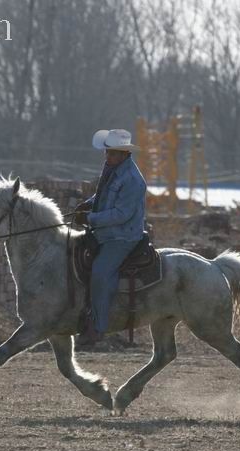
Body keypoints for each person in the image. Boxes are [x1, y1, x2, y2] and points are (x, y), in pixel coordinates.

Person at [73, 128, 147, 347]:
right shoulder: (114, 169)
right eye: (107, 152)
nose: (108, 156)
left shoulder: (133, 179)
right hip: (106, 232)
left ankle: (98, 327)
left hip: (122, 237)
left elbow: (122, 214)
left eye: (112, 153)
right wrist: (88, 204)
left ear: (125, 154)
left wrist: (91, 219)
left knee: (100, 272)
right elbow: (104, 193)